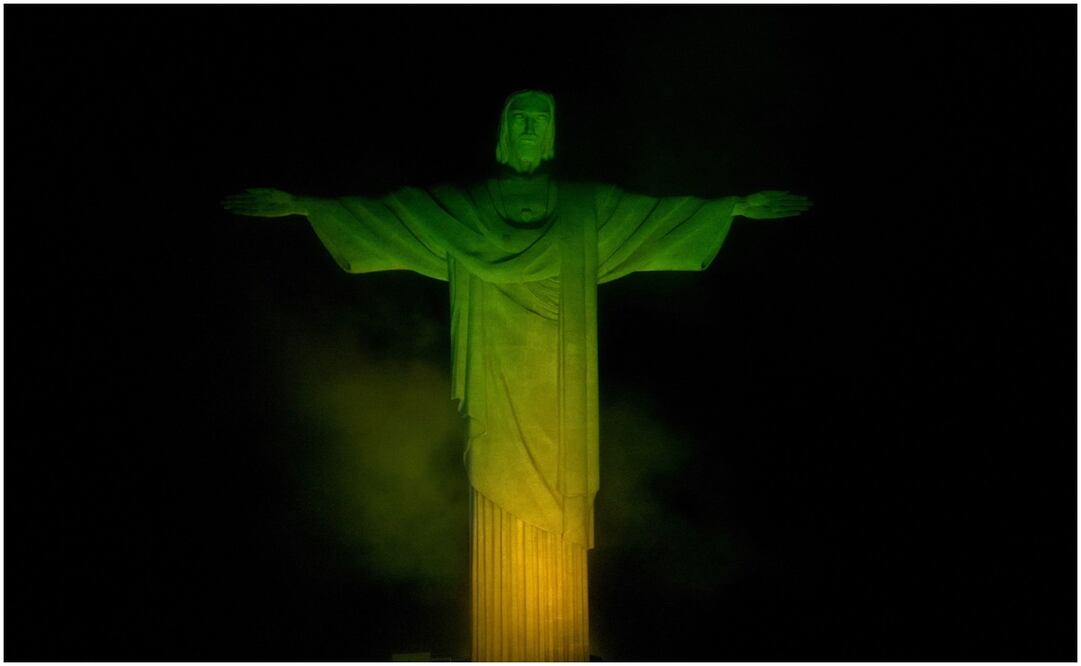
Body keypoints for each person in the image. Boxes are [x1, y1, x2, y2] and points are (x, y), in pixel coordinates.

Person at [223, 89, 811, 661]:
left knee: (557, 498)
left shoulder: (586, 208)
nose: (530, 127)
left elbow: (656, 218)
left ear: (552, 135)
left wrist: (729, 208)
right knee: (497, 474)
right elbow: (397, 214)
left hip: (560, 380)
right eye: (520, 118)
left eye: (541, 119)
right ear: (504, 132)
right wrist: (307, 206)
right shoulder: (468, 206)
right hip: (496, 374)